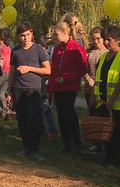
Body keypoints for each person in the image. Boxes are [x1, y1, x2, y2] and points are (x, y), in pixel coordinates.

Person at [6, 22, 51, 161]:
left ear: (32, 33)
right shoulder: (16, 51)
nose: (25, 38)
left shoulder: (38, 49)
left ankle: (34, 149)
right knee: (21, 119)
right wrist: (9, 91)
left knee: (34, 119)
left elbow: (47, 70)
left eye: (27, 34)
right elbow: (12, 71)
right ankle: (26, 146)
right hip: (18, 88)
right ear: (19, 36)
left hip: (33, 89)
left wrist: (29, 68)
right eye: (22, 35)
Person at [47, 22, 87, 155]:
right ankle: (66, 142)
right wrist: (50, 88)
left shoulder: (76, 48)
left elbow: (82, 68)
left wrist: (67, 78)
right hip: (58, 87)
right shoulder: (57, 49)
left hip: (70, 86)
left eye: (57, 34)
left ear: (65, 33)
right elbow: (53, 70)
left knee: (70, 114)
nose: (55, 37)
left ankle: (77, 142)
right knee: (61, 115)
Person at [90, 26, 120, 168]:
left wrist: (112, 99)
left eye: (109, 40)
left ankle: (117, 160)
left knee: (118, 134)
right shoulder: (104, 56)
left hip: (118, 105)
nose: (106, 43)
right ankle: (108, 156)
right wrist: (93, 96)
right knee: (105, 133)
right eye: (106, 40)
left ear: (118, 40)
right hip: (102, 102)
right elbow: (97, 78)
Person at [0, 28, 12, 121]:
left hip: (3, 72)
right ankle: (6, 112)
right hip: (9, 72)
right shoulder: (8, 47)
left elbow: (2, 60)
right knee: (1, 93)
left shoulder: (0, 48)